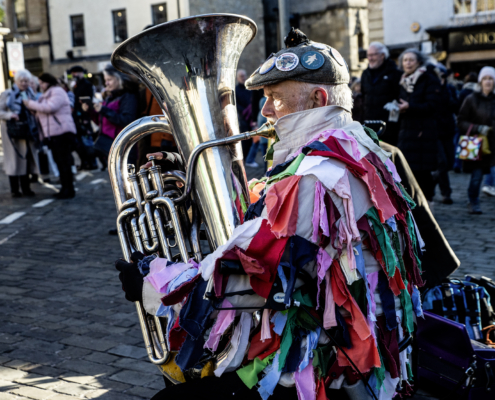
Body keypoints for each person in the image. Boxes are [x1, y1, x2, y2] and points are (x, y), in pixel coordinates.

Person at [118, 28, 423, 400]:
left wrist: (154, 283)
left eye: (275, 98)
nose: (264, 111)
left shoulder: (316, 176)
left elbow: (241, 282)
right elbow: (281, 217)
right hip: (349, 352)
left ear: (318, 98)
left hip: (321, 369)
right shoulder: (361, 151)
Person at [397, 48, 441, 203]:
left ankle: (427, 207)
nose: (407, 63)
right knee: (407, 172)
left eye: (411, 60)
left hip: (423, 134)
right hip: (406, 132)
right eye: (405, 60)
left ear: (419, 62)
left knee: (422, 173)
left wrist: (410, 107)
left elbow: (432, 106)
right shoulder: (403, 80)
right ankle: (414, 208)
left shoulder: (428, 79)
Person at [24, 73, 77, 199]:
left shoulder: (57, 91)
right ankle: (65, 188)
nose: (40, 85)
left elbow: (50, 108)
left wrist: (29, 104)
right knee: (60, 162)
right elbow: (42, 110)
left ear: (48, 82)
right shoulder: (46, 95)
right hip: (53, 133)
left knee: (64, 162)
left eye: (42, 82)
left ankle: (68, 189)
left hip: (61, 132)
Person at [82, 64, 138, 170]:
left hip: (124, 148)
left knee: (127, 183)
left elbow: (127, 121)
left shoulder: (128, 96)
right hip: (111, 148)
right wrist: (91, 111)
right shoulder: (110, 97)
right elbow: (103, 122)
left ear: (119, 78)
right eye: (105, 80)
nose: (106, 83)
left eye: (109, 79)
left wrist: (103, 109)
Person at [457, 66, 495, 213]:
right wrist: (478, 128)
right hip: (478, 146)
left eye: (491, 78)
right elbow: (460, 121)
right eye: (485, 78)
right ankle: (473, 202)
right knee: (477, 177)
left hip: (493, 144)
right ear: (480, 81)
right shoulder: (471, 99)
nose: (488, 81)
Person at [0, 69, 39, 197]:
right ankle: (15, 190)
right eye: (21, 81)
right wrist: (10, 114)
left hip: (27, 131)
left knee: (26, 160)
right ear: (16, 81)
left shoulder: (30, 94)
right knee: (14, 161)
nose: (23, 83)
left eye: (26, 81)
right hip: (12, 132)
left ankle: (26, 188)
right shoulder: (7, 94)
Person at [361, 42, 402, 145]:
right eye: (368, 55)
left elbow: (400, 97)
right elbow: (363, 97)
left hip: (389, 127)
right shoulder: (365, 74)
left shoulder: (395, 74)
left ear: (382, 55)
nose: (370, 58)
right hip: (369, 125)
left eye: (373, 55)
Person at [432, 63, 460, 204]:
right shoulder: (432, 89)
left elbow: (455, 106)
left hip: (448, 130)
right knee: (442, 162)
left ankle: (431, 181)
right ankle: (446, 193)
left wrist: (446, 90)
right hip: (435, 131)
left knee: (449, 163)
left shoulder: (450, 89)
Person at [69, 65, 97, 170]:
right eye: (73, 73)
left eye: (76, 72)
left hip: (84, 115)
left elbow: (88, 101)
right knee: (81, 142)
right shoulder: (76, 85)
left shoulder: (87, 84)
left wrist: (86, 116)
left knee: (87, 140)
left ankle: (92, 162)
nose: (74, 75)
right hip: (77, 116)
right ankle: (85, 162)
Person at [236, 69, 253, 157]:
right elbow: (236, 104)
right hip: (243, 118)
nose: (243, 78)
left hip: (251, 117)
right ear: (237, 78)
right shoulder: (236, 89)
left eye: (244, 76)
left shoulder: (249, 88)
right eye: (241, 76)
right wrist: (244, 111)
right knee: (245, 141)